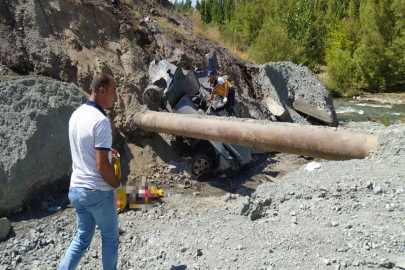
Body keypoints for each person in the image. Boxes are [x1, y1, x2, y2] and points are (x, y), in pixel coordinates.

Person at [58, 73, 121, 270]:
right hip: (96, 192)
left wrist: (105, 150)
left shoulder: (77, 114)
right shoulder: (101, 121)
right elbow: (102, 166)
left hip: (76, 189)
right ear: (102, 91)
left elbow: (82, 145)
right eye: (113, 91)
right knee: (110, 237)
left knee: (83, 236)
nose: (115, 96)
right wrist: (117, 184)